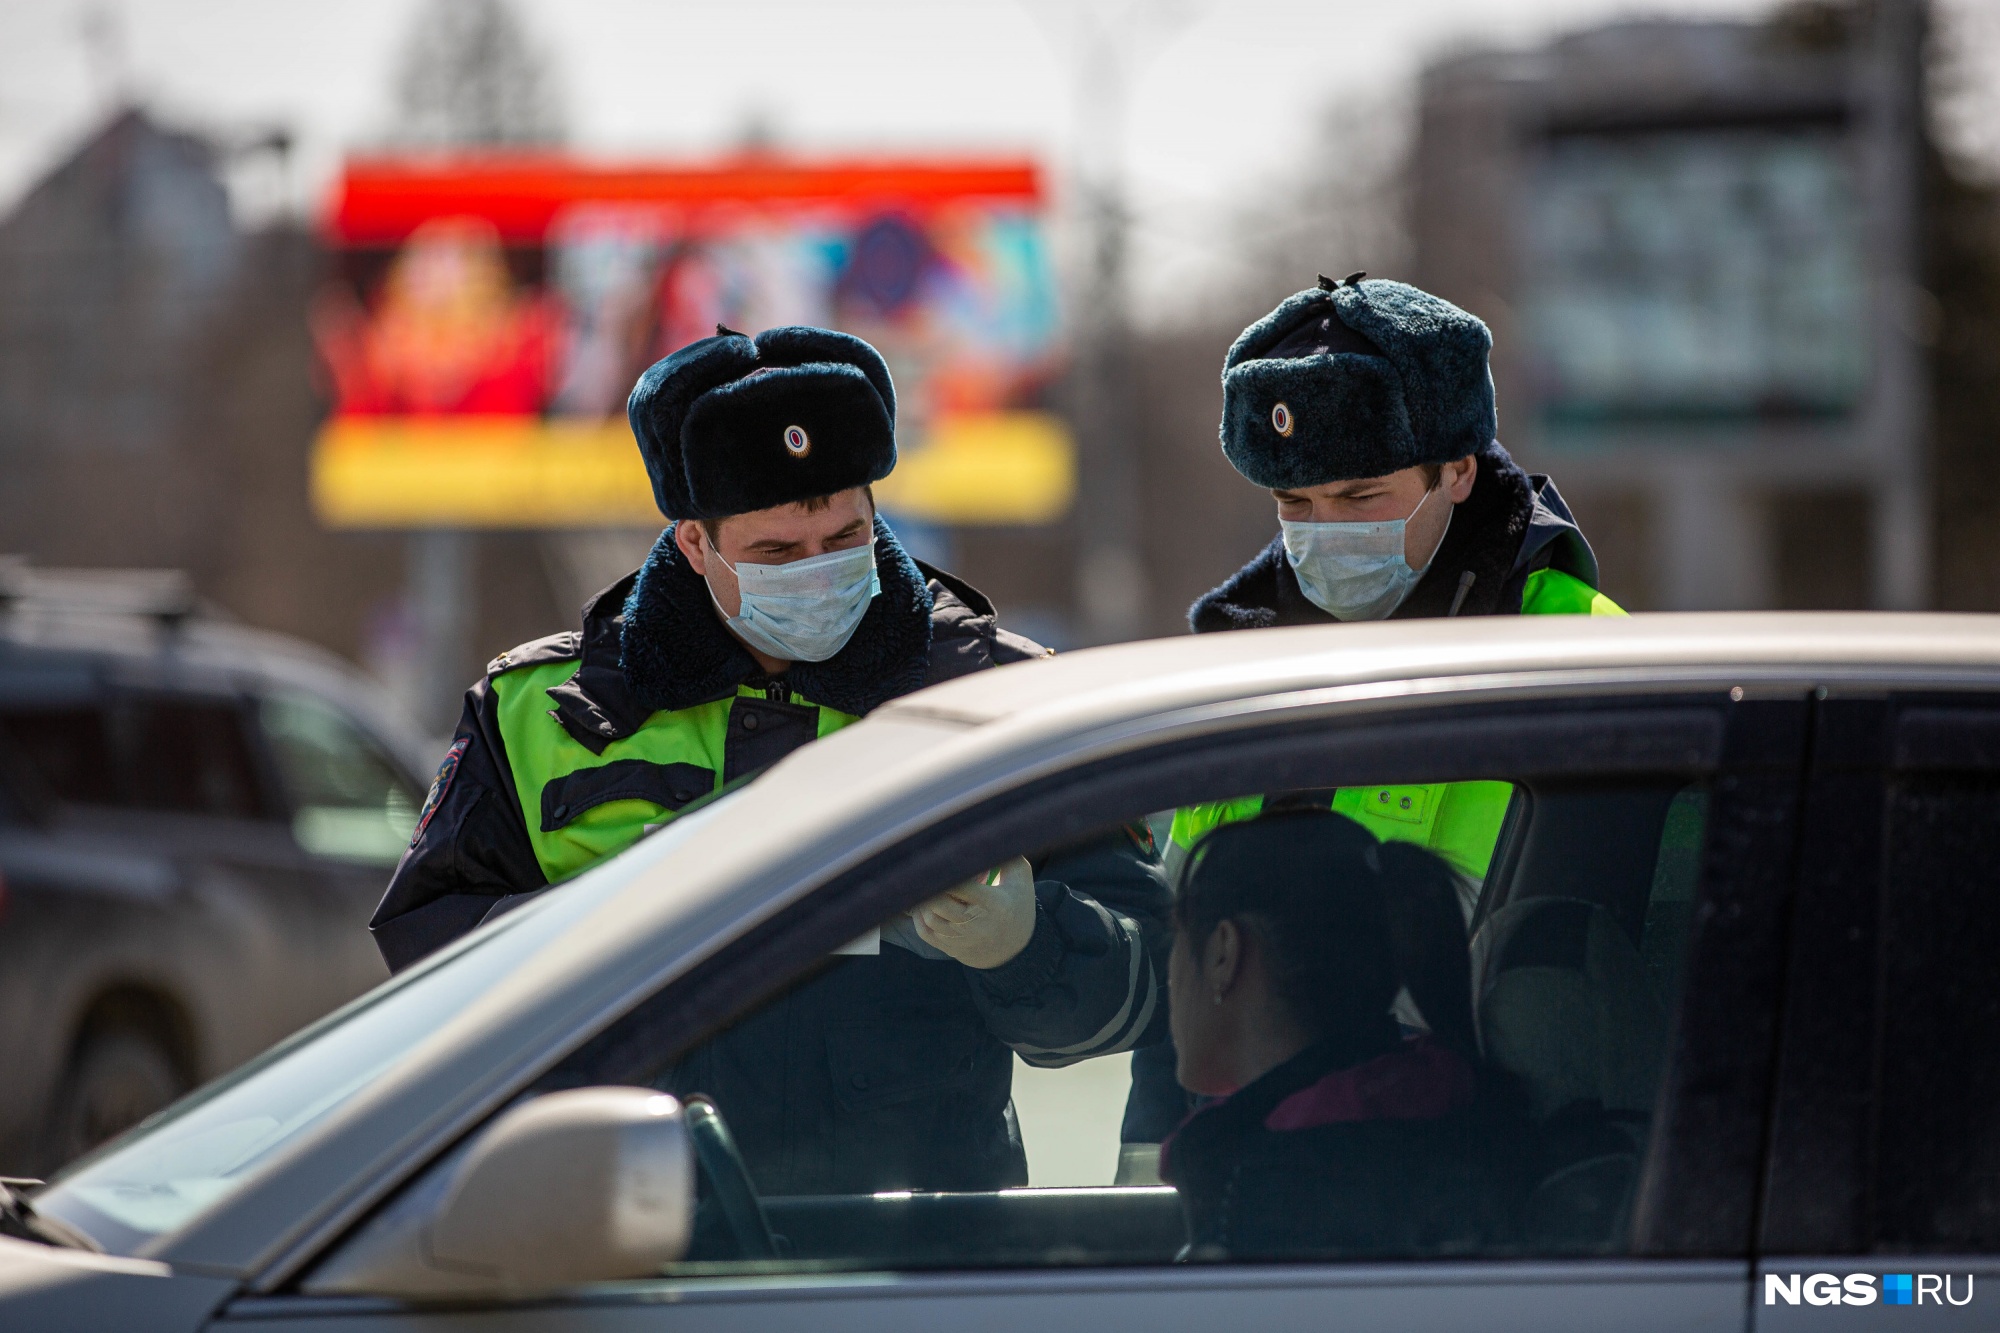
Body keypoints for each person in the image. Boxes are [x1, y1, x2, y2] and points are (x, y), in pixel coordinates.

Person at [372, 324, 1167, 1196]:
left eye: (844, 536)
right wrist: (612, 936)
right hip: (635, 1239)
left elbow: (1144, 987)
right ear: (694, 544)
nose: (819, 571)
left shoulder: (1000, 694)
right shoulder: (542, 710)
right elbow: (431, 972)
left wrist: (1026, 943)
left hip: (929, 1254)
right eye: (777, 553)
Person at [1120, 274, 1624, 1169]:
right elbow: (1185, 964)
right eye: (1294, 507)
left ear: (1459, 470)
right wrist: (1151, 1176)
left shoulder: (1573, 652)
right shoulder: (1239, 665)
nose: (1322, 537)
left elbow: (1613, 988)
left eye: (1359, 498)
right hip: (1263, 1190)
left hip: (1493, 1190)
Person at [1161, 810, 1533, 1261]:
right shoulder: (1452, 1106)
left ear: (1223, 952)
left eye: (1177, 937)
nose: (1170, 974)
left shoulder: (1265, 1190)